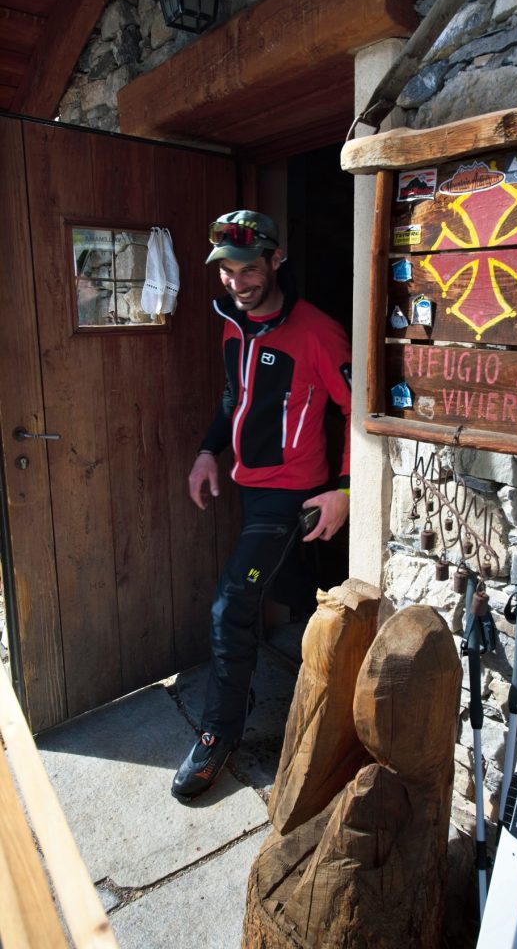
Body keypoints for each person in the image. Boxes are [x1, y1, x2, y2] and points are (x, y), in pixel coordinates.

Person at [172, 210, 352, 803]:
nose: (237, 281)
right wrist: (207, 452)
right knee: (301, 594)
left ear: (276, 261)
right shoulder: (233, 322)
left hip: (291, 497)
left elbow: (361, 413)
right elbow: (236, 399)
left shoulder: (319, 332)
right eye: (226, 270)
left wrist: (345, 488)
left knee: (232, 605)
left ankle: (219, 731)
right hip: (250, 488)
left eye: (248, 268)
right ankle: (326, 696)